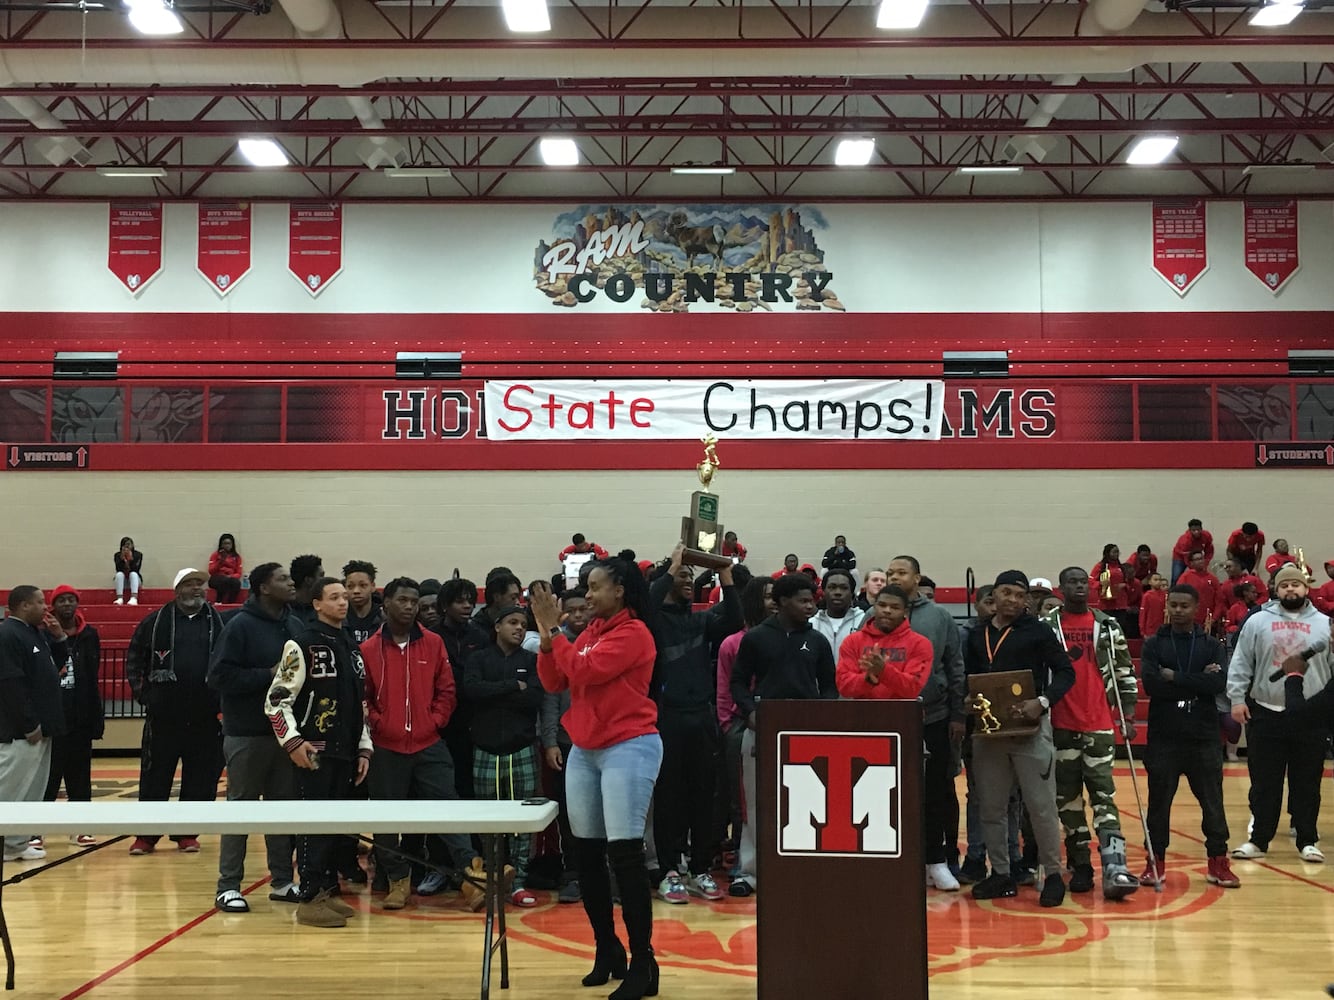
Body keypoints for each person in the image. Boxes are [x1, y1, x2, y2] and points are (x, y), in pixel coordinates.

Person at [532, 561, 661, 1000]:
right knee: (585, 854)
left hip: (630, 745)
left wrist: (559, 634)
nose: (587, 595)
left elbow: (584, 673)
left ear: (620, 590)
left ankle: (644, 961)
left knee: (625, 855)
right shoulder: (590, 634)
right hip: (586, 749)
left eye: (594, 587)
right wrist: (550, 637)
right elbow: (554, 680)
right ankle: (607, 948)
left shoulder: (634, 633)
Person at [965, 571, 1076, 907]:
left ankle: (1053, 874)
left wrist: (1041, 703)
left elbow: (1067, 672)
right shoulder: (976, 634)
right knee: (992, 807)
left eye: (1018, 594)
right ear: (993, 595)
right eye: (1005, 593)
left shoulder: (1038, 631)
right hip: (989, 731)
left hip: (1030, 731)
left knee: (1040, 806)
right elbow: (968, 678)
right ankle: (1001, 873)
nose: (1011, 600)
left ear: (1026, 599)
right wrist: (968, 702)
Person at [266, 577, 372, 929]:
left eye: (345, 596)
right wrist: (293, 741)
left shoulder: (352, 647)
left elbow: (361, 704)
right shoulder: (302, 644)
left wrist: (364, 747)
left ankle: (326, 890)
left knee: (336, 828)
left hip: (345, 751)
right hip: (313, 750)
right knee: (313, 826)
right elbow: (276, 701)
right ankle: (309, 898)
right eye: (335, 597)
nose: (343, 602)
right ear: (316, 604)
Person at [362, 577, 473, 908]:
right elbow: (364, 699)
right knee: (385, 818)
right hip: (386, 746)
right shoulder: (368, 649)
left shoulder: (434, 643)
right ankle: (397, 880)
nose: (410, 606)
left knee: (448, 809)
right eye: (403, 601)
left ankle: (472, 876)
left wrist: (434, 721)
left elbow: (447, 691)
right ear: (387, 605)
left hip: (429, 743)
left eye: (414, 601)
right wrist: (382, 725)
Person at [729, 573, 837, 897]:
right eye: (804, 601)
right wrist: (750, 713)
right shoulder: (756, 638)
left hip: (807, 733)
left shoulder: (817, 641)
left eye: (812, 600)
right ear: (783, 602)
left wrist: (824, 715)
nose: (811, 606)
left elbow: (829, 686)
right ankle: (749, 873)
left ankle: (800, 870)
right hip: (761, 730)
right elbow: (737, 682)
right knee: (757, 803)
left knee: (806, 804)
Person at [207, 562, 304, 912]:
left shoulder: (294, 624)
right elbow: (218, 676)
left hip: (284, 735)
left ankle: (281, 881)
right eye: (282, 579)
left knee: (282, 810)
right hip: (246, 732)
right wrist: (267, 675)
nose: (290, 583)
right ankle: (228, 885)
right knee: (241, 809)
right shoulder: (239, 625)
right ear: (263, 587)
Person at [648, 543, 740, 905]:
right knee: (669, 796)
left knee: (704, 795)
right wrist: (673, 564)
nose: (689, 581)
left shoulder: (702, 619)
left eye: (690, 575)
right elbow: (648, 601)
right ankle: (670, 869)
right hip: (666, 717)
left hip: (701, 717)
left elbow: (734, 618)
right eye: (682, 576)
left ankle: (700, 867)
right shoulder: (652, 619)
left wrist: (725, 573)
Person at [1040, 568, 1140, 900]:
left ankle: (1115, 864)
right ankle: (1080, 864)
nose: (1080, 587)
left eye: (1084, 582)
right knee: (1067, 802)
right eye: (1072, 582)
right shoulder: (1048, 627)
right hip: (1060, 725)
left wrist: (1126, 712)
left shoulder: (1108, 626)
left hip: (1098, 724)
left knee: (1103, 797)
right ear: (1061, 588)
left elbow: (1124, 670)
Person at [1226, 563, 1333, 863]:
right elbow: (1241, 662)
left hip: (1311, 715)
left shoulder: (1325, 623)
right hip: (1266, 710)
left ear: (1305, 588)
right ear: (1276, 589)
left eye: (1295, 585)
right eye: (1284, 585)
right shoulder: (1258, 621)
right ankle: (1258, 840)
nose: (1290, 589)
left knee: (1308, 781)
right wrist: (1236, 698)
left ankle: (1308, 840)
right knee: (1264, 781)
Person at [1139, 584, 1240, 888]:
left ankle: (1218, 862)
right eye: (1174, 605)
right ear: (1168, 607)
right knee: (1159, 804)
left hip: (1203, 736)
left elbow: (1218, 683)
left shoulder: (1211, 644)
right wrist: (1197, 680)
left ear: (1196, 609)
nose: (1179, 610)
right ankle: (1154, 862)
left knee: (1213, 802)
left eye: (1185, 605)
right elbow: (1153, 685)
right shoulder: (1154, 644)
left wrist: (1175, 676)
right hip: (1164, 736)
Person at [125, 568, 225, 856]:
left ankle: (187, 833)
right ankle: (147, 836)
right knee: (155, 775)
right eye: (191, 584)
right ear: (177, 589)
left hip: (206, 716)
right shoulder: (155, 622)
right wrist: (145, 695)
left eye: (201, 584)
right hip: (164, 717)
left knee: (201, 778)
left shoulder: (218, 623)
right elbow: (135, 659)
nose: (198, 589)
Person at [886, 555, 966, 892]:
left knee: (934, 792)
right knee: (889, 792)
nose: (894, 577)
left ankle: (937, 860)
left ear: (917, 579)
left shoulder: (939, 616)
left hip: (932, 715)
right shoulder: (873, 617)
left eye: (901, 572)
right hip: (887, 718)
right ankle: (896, 860)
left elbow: (955, 666)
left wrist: (958, 714)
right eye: (890, 572)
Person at [465, 604, 545, 908]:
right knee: (489, 821)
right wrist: (513, 686)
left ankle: (519, 881)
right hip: (485, 750)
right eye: (512, 622)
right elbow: (472, 691)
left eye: (523, 624)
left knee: (522, 822)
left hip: (521, 749)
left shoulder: (532, 661)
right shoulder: (478, 658)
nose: (519, 628)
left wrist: (496, 693)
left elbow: (535, 698)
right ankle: (493, 878)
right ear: (497, 626)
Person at [0, 586, 66, 862]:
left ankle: (15, 843)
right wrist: (29, 724)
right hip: (20, 733)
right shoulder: (8, 634)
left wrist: (60, 638)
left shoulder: (35, 633)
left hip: (42, 729)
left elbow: (53, 669)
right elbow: (11, 684)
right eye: (40, 602)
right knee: (9, 789)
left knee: (31, 790)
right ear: (24, 605)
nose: (45, 607)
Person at [540, 588, 592, 904]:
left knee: (602, 817)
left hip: (601, 743)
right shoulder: (558, 647)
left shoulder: (602, 643)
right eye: (570, 610)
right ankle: (572, 874)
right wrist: (549, 741)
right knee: (571, 817)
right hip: (566, 743)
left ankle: (606, 876)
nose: (577, 615)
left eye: (582, 609)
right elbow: (549, 700)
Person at [43, 585, 103, 846]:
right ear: (53, 605)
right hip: (54, 715)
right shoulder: (42, 633)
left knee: (80, 774)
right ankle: (37, 830)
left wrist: (94, 717)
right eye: (62, 600)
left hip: (80, 715)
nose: (67, 604)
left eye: (71, 599)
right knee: (49, 775)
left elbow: (92, 677)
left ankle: (81, 827)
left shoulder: (89, 634)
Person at [434, 576, 489, 800]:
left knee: (468, 786)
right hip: (440, 723)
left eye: (470, 601)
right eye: (460, 601)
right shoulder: (431, 636)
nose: (467, 606)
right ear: (445, 606)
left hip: (472, 721)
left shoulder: (481, 636)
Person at [836, 585, 933, 701]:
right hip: (860, 716)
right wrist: (868, 679)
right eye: (882, 605)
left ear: (905, 612)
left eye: (895, 607)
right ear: (874, 607)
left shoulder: (920, 644)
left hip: (903, 716)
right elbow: (844, 687)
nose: (887, 610)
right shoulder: (852, 641)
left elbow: (912, 688)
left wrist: (884, 671)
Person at [810, 569, 865, 659]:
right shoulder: (811, 624)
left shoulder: (864, 622)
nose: (838, 592)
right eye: (832, 587)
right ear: (823, 592)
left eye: (844, 588)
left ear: (852, 593)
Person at [342, 560, 384, 644]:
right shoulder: (338, 618)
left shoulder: (384, 619)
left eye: (363, 585)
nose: (356, 591)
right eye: (350, 586)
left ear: (373, 586)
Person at [1177, 552, 1221, 629]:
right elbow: (1179, 597)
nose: (1201, 561)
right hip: (1189, 621)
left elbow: (1219, 601)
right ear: (1191, 563)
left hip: (1207, 622)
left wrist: (1213, 618)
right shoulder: (1185, 577)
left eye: (1202, 558)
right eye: (1197, 559)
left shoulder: (1213, 579)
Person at [1091, 544, 1130, 618]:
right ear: (1107, 553)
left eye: (1118, 552)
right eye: (1114, 552)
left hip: (1121, 603)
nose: (1117, 554)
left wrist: (1124, 585)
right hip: (1106, 604)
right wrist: (1101, 583)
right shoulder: (1100, 566)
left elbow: (1128, 582)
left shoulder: (1121, 567)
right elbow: (1091, 582)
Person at [1171, 519, 1213, 585]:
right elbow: (1187, 558)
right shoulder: (1185, 540)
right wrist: (1196, 568)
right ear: (1190, 530)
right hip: (1180, 557)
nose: (1196, 532)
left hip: (1195, 555)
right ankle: (1172, 592)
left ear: (1201, 529)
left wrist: (1205, 562)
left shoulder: (1207, 536)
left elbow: (1209, 550)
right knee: (1176, 577)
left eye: (1198, 530)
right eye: (1194, 530)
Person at [289, 554, 325, 627]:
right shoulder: (285, 612)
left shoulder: (322, 608)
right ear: (308, 580)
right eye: (321, 576)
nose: (324, 580)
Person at [208, 533, 244, 605]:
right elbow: (211, 571)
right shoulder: (215, 555)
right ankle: (218, 602)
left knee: (236, 583)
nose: (227, 545)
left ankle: (231, 603)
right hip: (216, 578)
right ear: (221, 544)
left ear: (232, 545)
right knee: (223, 581)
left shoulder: (237, 557)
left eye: (229, 543)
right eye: (225, 543)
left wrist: (230, 576)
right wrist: (221, 561)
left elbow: (239, 573)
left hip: (230, 578)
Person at [114, 536, 143, 606]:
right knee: (119, 575)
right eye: (125, 545)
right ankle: (120, 598)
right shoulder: (117, 555)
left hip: (135, 581)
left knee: (133, 574)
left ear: (132, 545)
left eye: (129, 545)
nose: (127, 547)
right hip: (123, 582)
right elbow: (118, 569)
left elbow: (136, 569)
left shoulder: (138, 555)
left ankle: (134, 598)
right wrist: (123, 560)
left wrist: (130, 560)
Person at [1139, 573, 1169, 639]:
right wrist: (1142, 631)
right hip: (1150, 629)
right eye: (1155, 580)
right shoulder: (1147, 596)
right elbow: (1143, 613)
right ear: (1150, 582)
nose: (1158, 582)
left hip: (1162, 628)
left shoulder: (1165, 595)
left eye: (1160, 580)